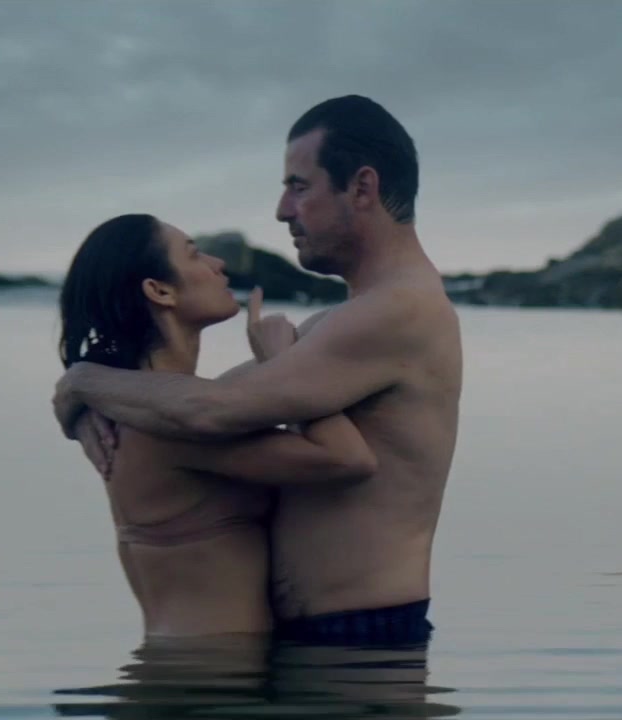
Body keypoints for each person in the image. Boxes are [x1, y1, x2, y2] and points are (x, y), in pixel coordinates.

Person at [55, 94, 463, 647]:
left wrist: (81, 381)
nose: (281, 210)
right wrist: (86, 402)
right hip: (315, 644)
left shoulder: (397, 311)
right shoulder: (342, 324)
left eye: (298, 186)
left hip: (362, 640)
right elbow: (192, 403)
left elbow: (212, 410)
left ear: (362, 188)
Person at [57, 213, 378, 639]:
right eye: (194, 255)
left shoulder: (154, 404)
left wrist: (78, 384)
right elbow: (348, 459)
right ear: (160, 291)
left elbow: (235, 395)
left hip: (191, 663)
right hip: (211, 670)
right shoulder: (168, 422)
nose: (218, 264)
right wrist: (284, 361)